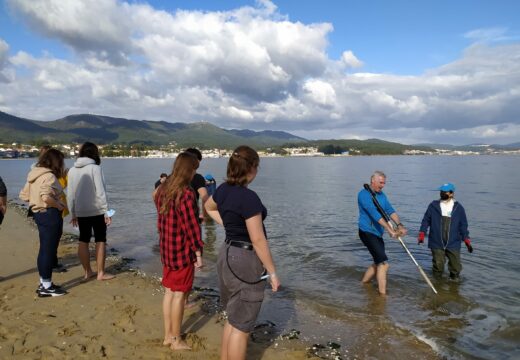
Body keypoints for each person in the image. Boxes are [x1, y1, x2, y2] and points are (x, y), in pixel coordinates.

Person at [205, 145, 280, 360]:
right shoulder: (249, 198)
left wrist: (228, 226)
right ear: (252, 168)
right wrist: (273, 273)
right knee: (242, 326)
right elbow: (257, 239)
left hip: (227, 254)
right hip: (245, 260)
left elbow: (209, 208)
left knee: (233, 318)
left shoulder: (222, 190)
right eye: (257, 167)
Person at [153, 152, 204, 351]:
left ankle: (168, 335)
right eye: (194, 170)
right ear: (188, 170)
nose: (194, 174)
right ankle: (176, 339)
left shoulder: (163, 188)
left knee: (169, 293)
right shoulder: (186, 193)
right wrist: (198, 253)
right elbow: (191, 228)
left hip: (166, 249)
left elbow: (161, 220)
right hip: (182, 252)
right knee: (180, 296)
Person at [19, 149, 68, 297]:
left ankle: (44, 283)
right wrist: (59, 205)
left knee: (44, 249)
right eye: (61, 161)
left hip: (38, 214)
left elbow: (23, 195)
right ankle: (46, 287)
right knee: (48, 250)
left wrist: (36, 201)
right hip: (50, 215)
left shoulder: (34, 175)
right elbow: (46, 197)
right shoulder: (49, 176)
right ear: (56, 161)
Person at [67, 142, 115, 281]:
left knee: (83, 239)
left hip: (81, 211)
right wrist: (106, 211)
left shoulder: (72, 170)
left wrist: (73, 213)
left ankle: (87, 272)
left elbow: (70, 194)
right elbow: (100, 191)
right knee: (100, 240)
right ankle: (100, 273)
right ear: (94, 153)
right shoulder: (95, 168)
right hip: (96, 210)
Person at [358, 170, 407, 295]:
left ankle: (363, 284)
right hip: (367, 232)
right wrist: (389, 229)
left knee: (377, 262)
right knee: (383, 265)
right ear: (372, 181)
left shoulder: (382, 195)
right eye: (380, 183)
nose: (382, 185)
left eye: (384, 183)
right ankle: (382, 296)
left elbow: (390, 210)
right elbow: (374, 214)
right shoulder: (363, 195)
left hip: (377, 234)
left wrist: (399, 225)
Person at [418, 183, 471, 280]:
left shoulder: (458, 208)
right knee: (438, 267)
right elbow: (426, 220)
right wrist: (422, 233)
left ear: (451, 194)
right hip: (436, 241)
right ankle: (437, 286)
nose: (442, 193)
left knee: (455, 268)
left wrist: (466, 240)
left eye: (444, 192)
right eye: (441, 191)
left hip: (453, 242)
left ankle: (454, 286)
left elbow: (463, 225)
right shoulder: (433, 205)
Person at [184, 148, 208, 222]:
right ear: (196, 161)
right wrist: (204, 215)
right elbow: (205, 198)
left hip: (172, 221)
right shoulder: (197, 177)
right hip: (190, 219)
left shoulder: (171, 177)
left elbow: (155, 194)